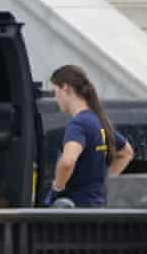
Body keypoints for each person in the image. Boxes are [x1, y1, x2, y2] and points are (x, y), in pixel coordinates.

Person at [45, 65, 134, 207]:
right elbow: (126, 152)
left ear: (66, 88)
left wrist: (57, 188)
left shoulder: (78, 124)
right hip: (97, 208)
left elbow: (67, 162)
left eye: (55, 92)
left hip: (76, 209)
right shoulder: (97, 121)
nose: (56, 99)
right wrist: (103, 183)